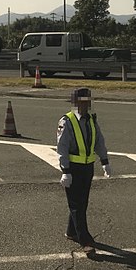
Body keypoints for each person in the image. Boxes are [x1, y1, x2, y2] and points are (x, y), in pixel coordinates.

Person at [56, 87, 112, 253]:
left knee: (82, 203)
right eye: (82, 102)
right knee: (76, 205)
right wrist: (65, 170)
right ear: (75, 103)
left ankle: (71, 231)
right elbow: (62, 148)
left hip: (88, 167)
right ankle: (85, 239)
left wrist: (105, 161)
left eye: (88, 102)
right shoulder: (67, 121)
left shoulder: (91, 120)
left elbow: (99, 141)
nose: (86, 105)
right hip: (73, 168)